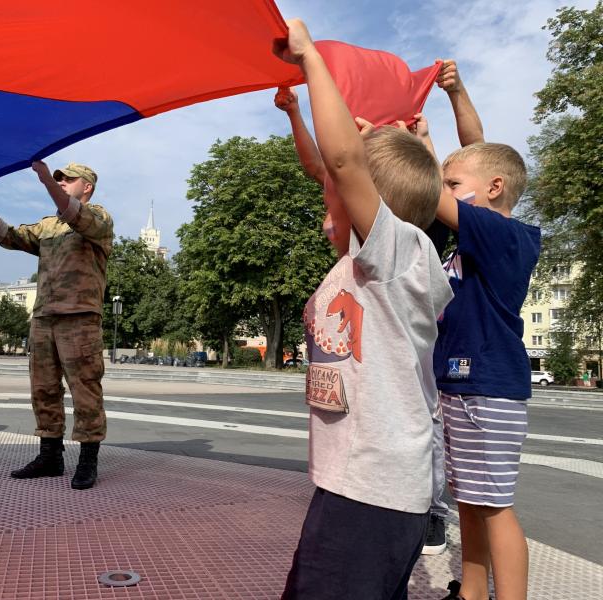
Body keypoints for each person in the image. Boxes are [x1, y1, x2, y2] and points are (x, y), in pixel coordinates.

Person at [274, 19, 453, 599]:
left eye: (336, 186)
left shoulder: (398, 254)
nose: (325, 186)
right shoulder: (367, 261)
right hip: (357, 485)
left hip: (372, 489)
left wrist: (311, 61)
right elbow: (333, 165)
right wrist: (297, 115)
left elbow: (346, 164)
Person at [431, 80, 540, 600]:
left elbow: (431, 185)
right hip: (462, 388)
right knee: (470, 503)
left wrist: (398, 149)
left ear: (492, 189)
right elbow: (465, 164)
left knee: (495, 505)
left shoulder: (502, 236)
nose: (444, 191)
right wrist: (450, 104)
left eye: (454, 185)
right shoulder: (478, 235)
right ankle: (472, 592)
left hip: (488, 388)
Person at [0, 160, 113, 490]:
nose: (61, 183)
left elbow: (75, 215)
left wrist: (45, 180)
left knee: (85, 389)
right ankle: (50, 456)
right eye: (58, 179)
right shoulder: (49, 226)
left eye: (68, 179)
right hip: (45, 317)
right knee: (43, 389)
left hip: (80, 317)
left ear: (86, 186)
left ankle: (88, 460)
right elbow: (8, 235)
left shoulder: (100, 218)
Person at [422, 59, 486, 557]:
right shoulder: (425, 226)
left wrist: (455, 92)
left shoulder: (475, 228)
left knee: (461, 467)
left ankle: (434, 518)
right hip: (428, 349)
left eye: (453, 186)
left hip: (470, 367)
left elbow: (474, 158)